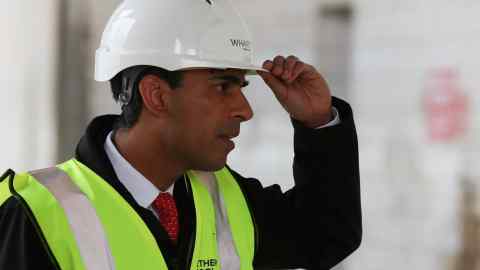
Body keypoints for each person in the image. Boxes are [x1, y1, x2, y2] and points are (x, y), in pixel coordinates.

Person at [0, 0, 361, 269]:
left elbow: (325, 235)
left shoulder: (222, 198)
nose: (245, 110)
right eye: (223, 86)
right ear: (156, 94)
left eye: (242, 86)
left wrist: (319, 124)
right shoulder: (35, 216)